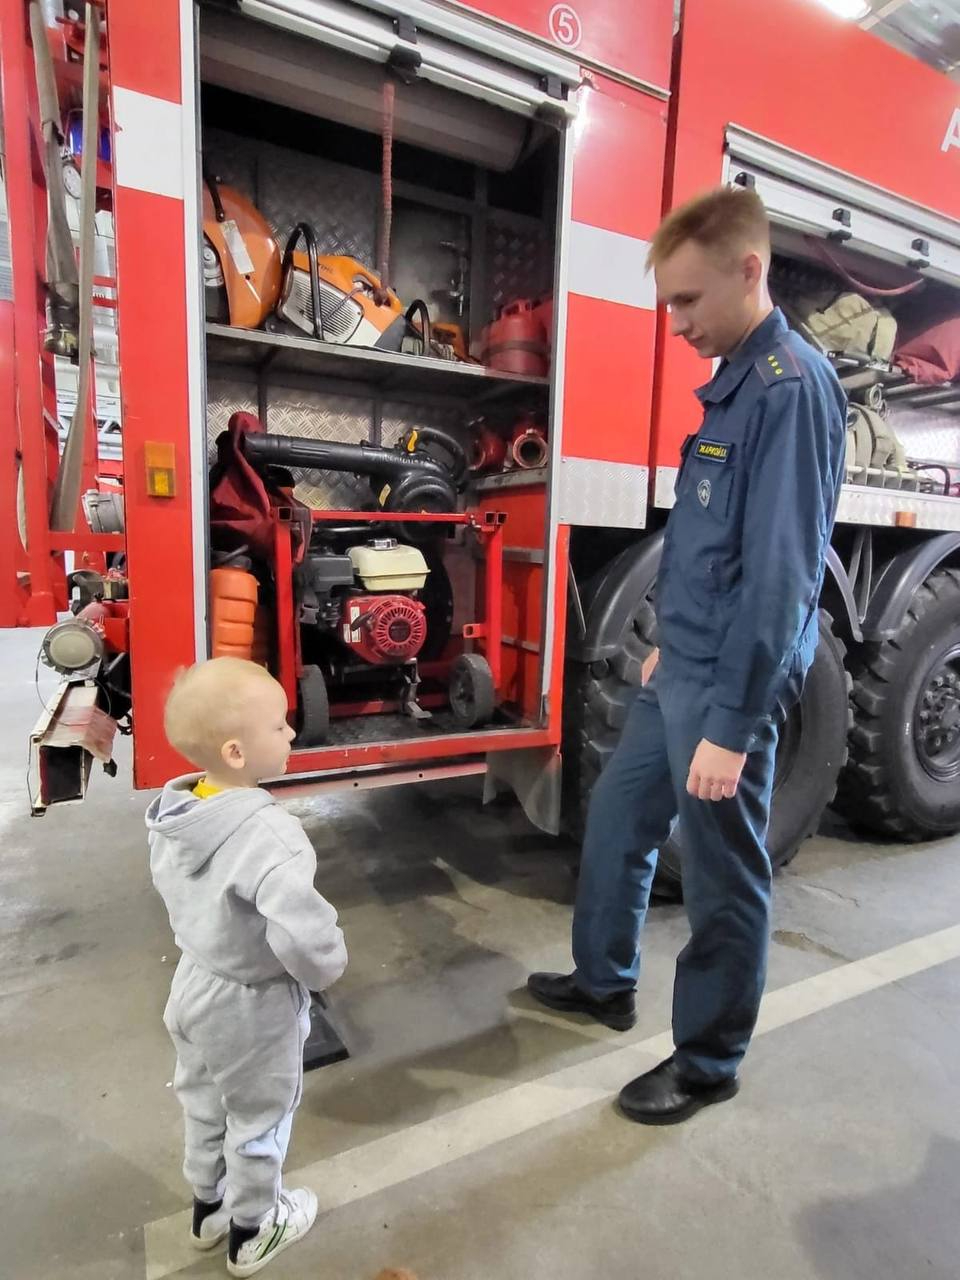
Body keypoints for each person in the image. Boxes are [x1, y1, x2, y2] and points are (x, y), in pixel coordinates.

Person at [528, 187, 847, 1124]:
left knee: (722, 878)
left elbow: (783, 577)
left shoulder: (791, 390)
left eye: (688, 302)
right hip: (685, 672)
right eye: (668, 302)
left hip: (726, 694)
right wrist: (666, 639)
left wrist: (736, 727)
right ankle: (604, 981)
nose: (675, 325)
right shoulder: (736, 386)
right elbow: (711, 544)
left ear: (751, 272)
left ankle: (708, 1061)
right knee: (620, 822)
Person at [146, 657, 347, 1275]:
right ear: (237, 751)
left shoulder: (179, 812)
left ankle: (209, 1208)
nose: (291, 734)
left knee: (203, 1101)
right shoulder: (270, 834)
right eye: (281, 725)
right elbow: (304, 935)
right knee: (262, 1116)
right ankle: (255, 1227)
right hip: (252, 1005)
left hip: (192, 985)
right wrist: (326, 972)